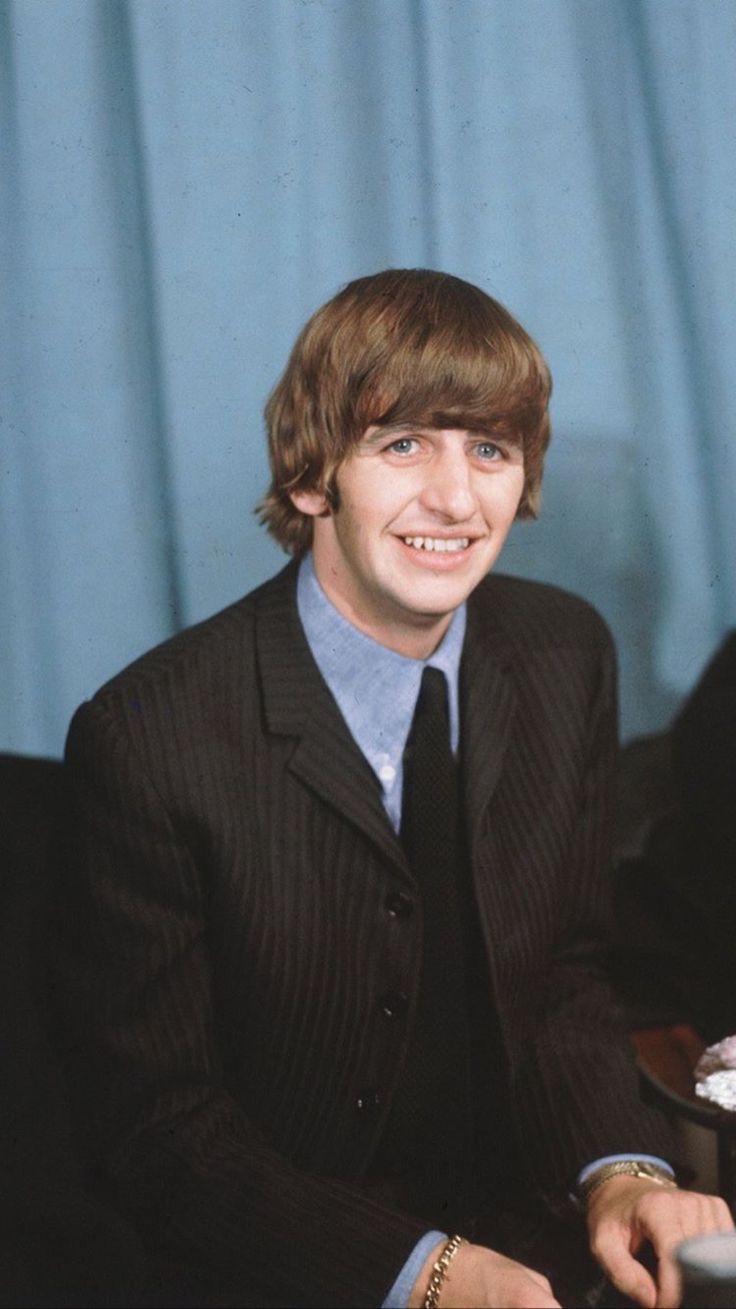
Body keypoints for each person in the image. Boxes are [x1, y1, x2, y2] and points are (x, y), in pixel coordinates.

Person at [48, 269, 732, 1309]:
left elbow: (564, 978)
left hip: (534, 1239)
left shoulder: (565, 654)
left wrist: (623, 1173)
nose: (456, 499)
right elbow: (158, 1127)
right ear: (311, 475)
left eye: (489, 449)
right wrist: (425, 1275)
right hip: (288, 1268)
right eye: (403, 443)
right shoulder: (150, 735)